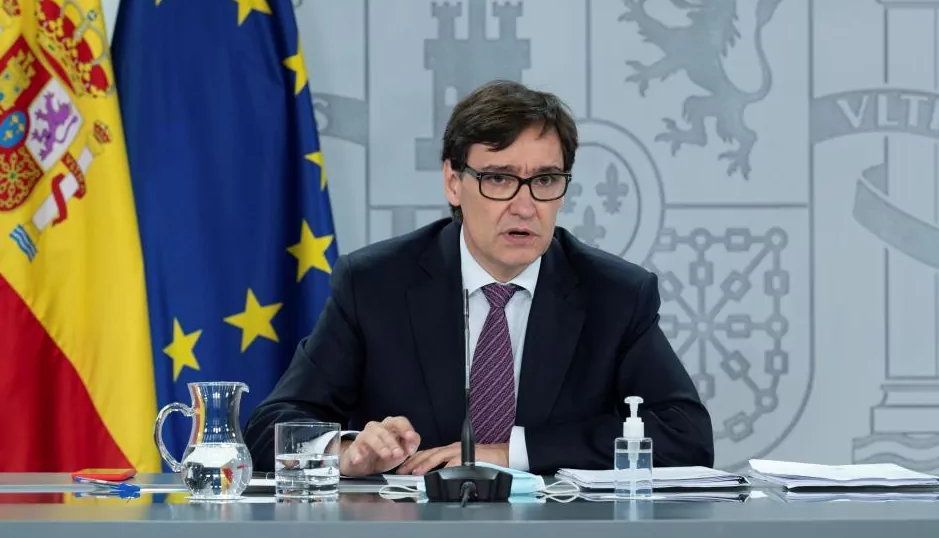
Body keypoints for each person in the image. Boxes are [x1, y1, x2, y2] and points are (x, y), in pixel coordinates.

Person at [244, 80, 714, 476]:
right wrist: (346, 451)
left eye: (545, 180)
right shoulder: (375, 284)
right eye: (499, 179)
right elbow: (270, 428)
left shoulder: (614, 295)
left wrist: (510, 454)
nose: (525, 206)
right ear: (454, 182)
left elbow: (685, 435)